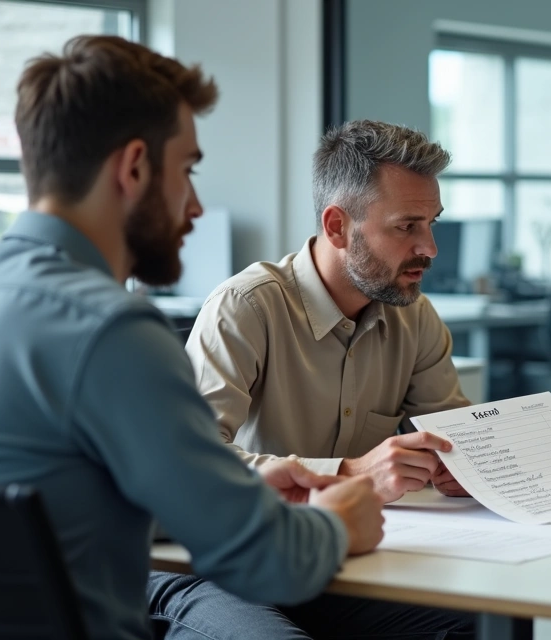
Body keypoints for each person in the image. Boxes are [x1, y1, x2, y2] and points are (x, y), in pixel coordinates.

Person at [0, 36, 468, 640]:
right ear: (135, 167)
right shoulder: (112, 329)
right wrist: (338, 522)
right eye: (187, 170)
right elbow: (263, 558)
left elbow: (49, 513)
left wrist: (242, 489)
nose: (195, 206)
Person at [184, 120, 470, 500]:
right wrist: (347, 473)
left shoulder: (414, 317)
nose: (430, 248)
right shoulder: (243, 308)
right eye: (406, 227)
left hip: (383, 541)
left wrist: (466, 466)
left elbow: (456, 438)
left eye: (431, 223)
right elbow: (189, 460)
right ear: (337, 227)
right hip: (269, 542)